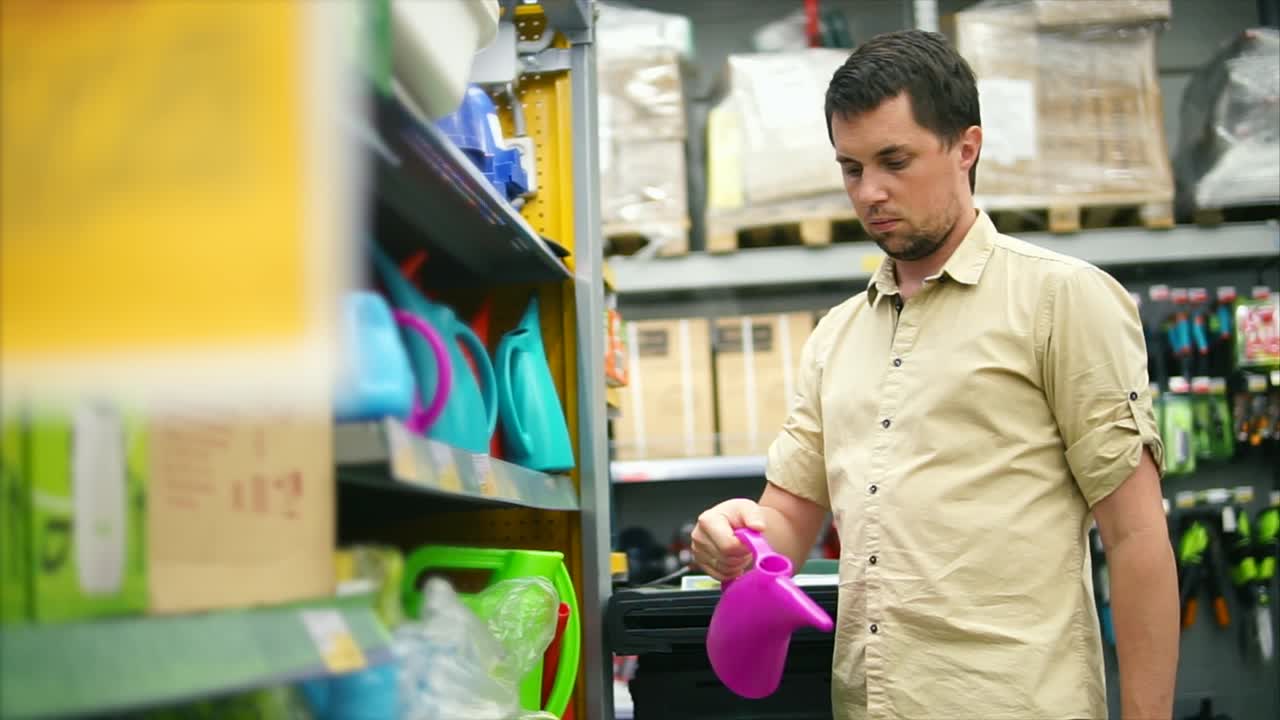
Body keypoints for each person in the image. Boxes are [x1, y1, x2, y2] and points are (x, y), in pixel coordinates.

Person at [691, 29, 1178, 720]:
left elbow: (1136, 539)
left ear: (966, 147)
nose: (871, 192)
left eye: (895, 161)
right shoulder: (836, 336)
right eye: (852, 168)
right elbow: (788, 523)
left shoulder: (1061, 300)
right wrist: (737, 537)